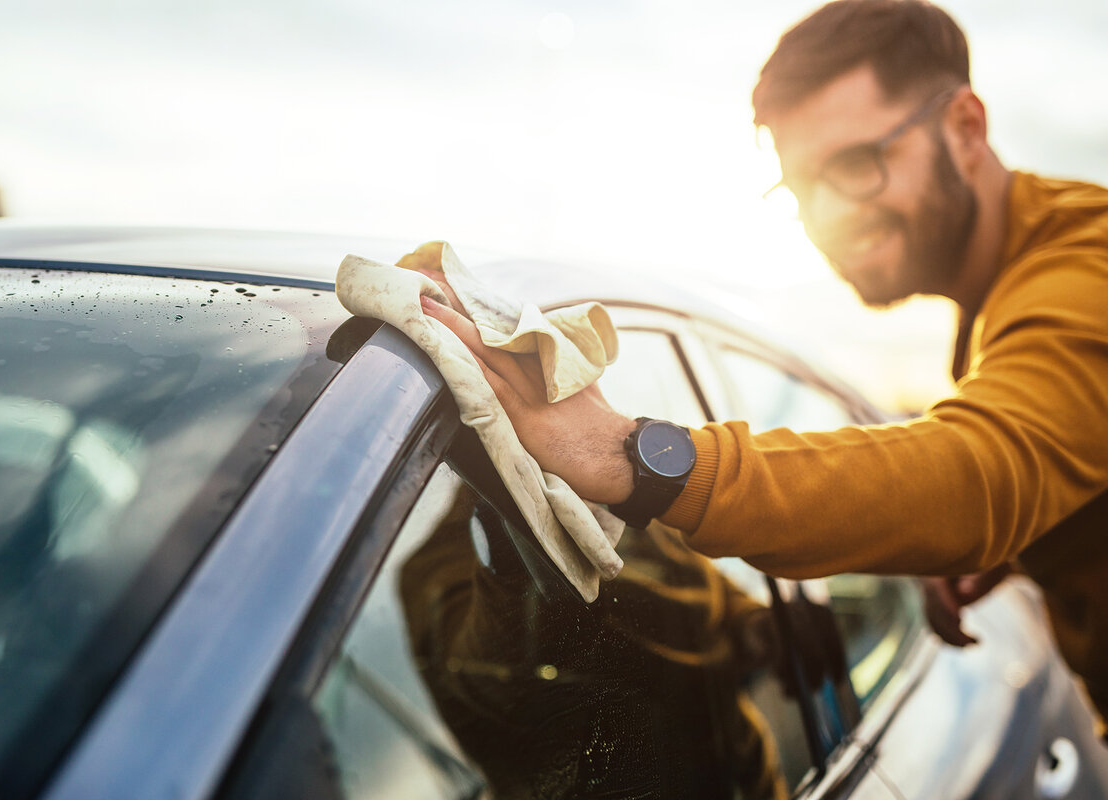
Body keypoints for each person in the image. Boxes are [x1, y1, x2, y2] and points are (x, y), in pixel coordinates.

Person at [420, 0, 1108, 727]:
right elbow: (1030, 457)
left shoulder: (1087, 263)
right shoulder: (1007, 294)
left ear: (966, 127)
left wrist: (634, 457)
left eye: (856, 164)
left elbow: (980, 473)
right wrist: (1033, 538)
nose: (829, 218)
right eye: (800, 188)